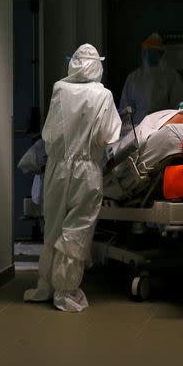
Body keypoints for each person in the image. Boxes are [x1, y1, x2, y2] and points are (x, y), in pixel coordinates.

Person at [23, 44, 122, 312]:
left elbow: (50, 134)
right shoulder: (103, 95)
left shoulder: (60, 89)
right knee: (76, 230)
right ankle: (65, 293)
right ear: (97, 66)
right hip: (86, 171)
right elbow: (110, 135)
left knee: (53, 226)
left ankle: (46, 285)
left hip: (57, 169)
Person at [119, 32, 183, 125]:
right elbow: (126, 109)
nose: (152, 56)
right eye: (149, 52)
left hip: (162, 126)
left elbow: (179, 106)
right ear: (144, 53)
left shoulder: (172, 77)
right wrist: (128, 129)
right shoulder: (133, 78)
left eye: (155, 52)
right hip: (138, 126)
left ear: (161, 54)